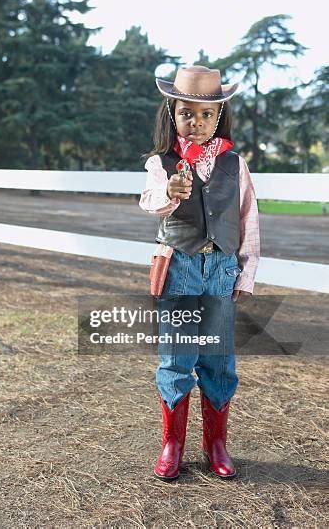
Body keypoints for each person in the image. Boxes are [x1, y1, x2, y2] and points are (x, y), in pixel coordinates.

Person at [139, 65, 260, 481]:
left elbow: (248, 219)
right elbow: (150, 201)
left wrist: (245, 274)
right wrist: (170, 193)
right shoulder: (163, 163)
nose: (197, 122)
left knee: (218, 359)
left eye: (207, 115)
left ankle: (216, 444)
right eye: (187, 113)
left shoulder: (234, 164)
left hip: (221, 270)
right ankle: (172, 444)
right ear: (172, 114)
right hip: (181, 269)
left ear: (219, 116)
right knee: (177, 357)